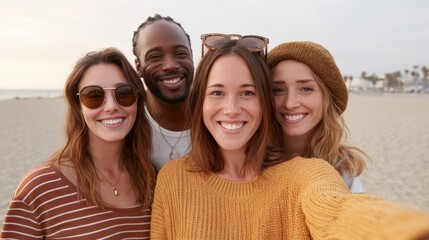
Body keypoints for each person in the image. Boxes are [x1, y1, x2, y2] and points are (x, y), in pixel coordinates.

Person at [150, 35, 429, 239]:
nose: (232, 109)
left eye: (248, 92)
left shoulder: (310, 173)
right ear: (199, 102)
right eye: (217, 92)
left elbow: (337, 208)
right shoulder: (173, 180)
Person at [1, 48, 156, 239]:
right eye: (94, 96)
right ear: (78, 107)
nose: (111, 106)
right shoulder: (38, 189)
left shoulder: (152, 181)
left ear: (137, 102)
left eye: (124, 93)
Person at [267, 41, 368, 193]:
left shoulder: (343, 168)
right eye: (278, 90)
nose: (290, 103)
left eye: (306, 89)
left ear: (326, 97)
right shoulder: (250, 160)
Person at [132, 14, 194, 170]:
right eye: (155, 57)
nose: (170, 65)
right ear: (139, 67)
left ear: (192, 56)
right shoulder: (129, 119)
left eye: (180, 53)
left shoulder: (216, 111)